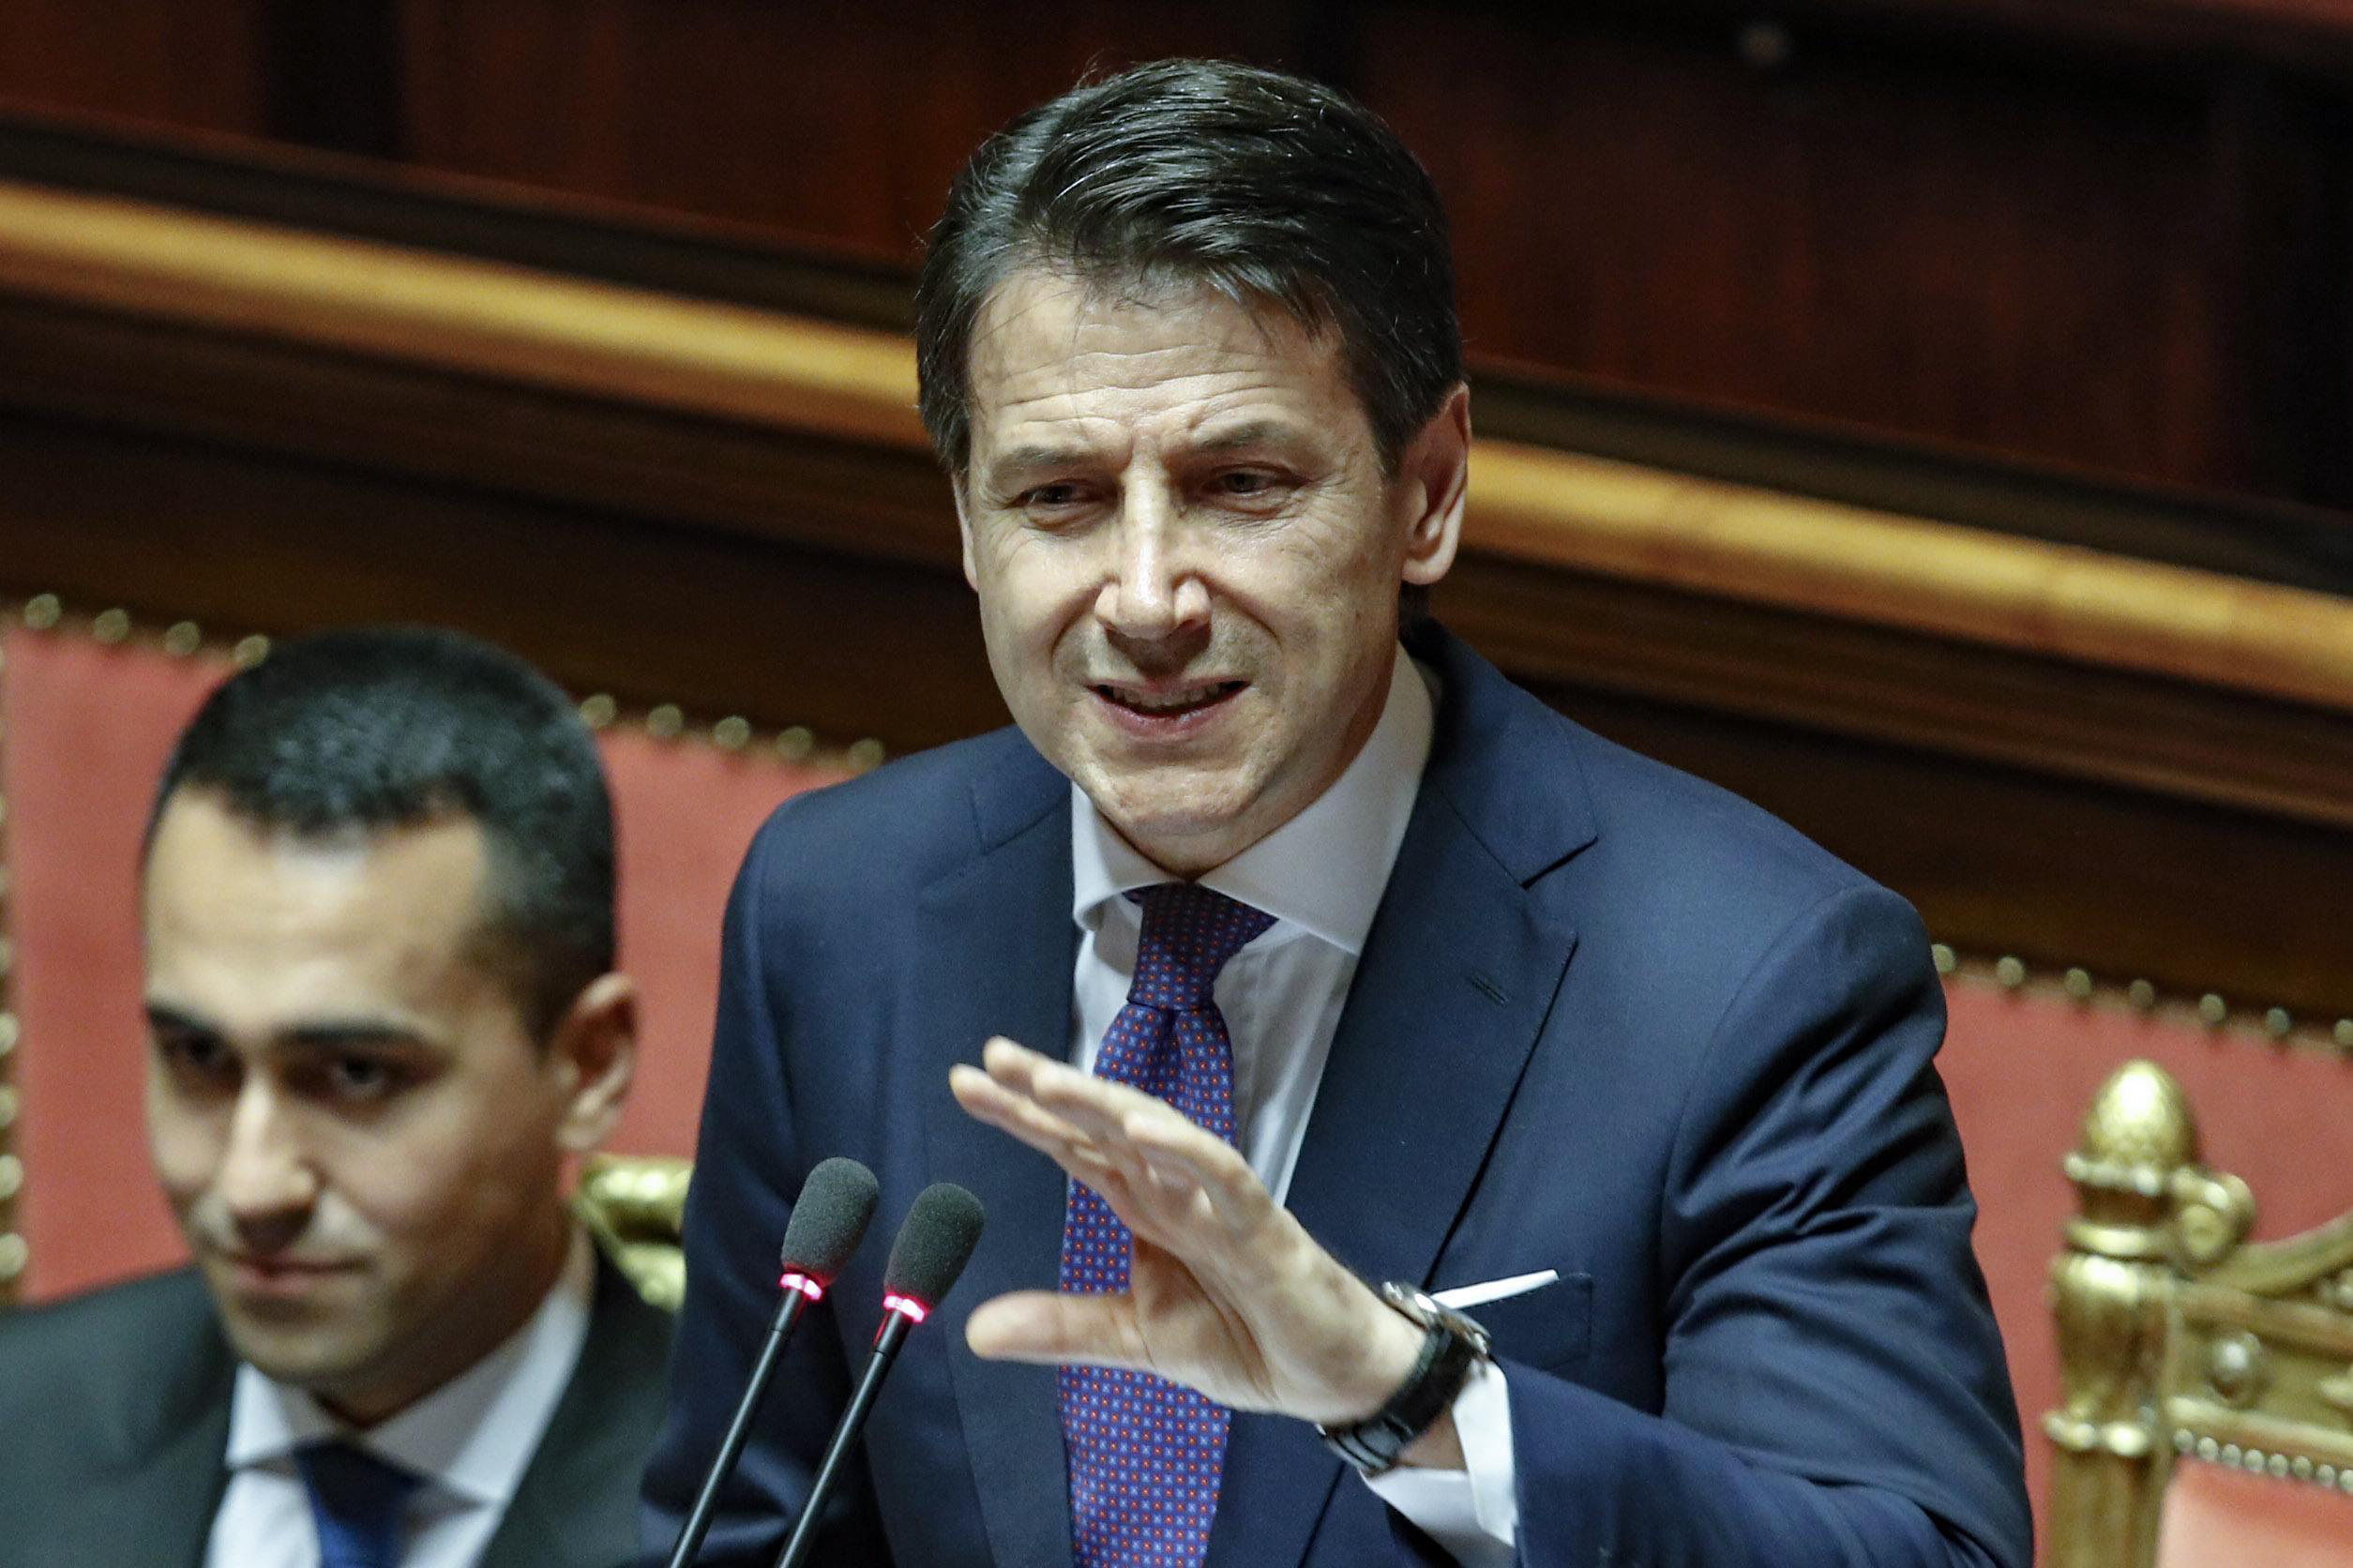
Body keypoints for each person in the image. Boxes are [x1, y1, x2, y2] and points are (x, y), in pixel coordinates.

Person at [642, 59, 2029, 1568]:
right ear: (968, 525)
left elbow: (1914, 1551)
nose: (1146, 600)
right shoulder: (839, 906)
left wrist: (1405, 1393)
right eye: (1059, 498)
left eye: (1240, 484)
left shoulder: (1746, 982)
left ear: (1426, 491)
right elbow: (743, 1533)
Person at [0, 626, 673, 1568]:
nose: (252, 1186)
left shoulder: (781, 1504)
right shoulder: (19, 1427)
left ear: (588, 1065)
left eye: (357, 1074)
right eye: (199, 1056)